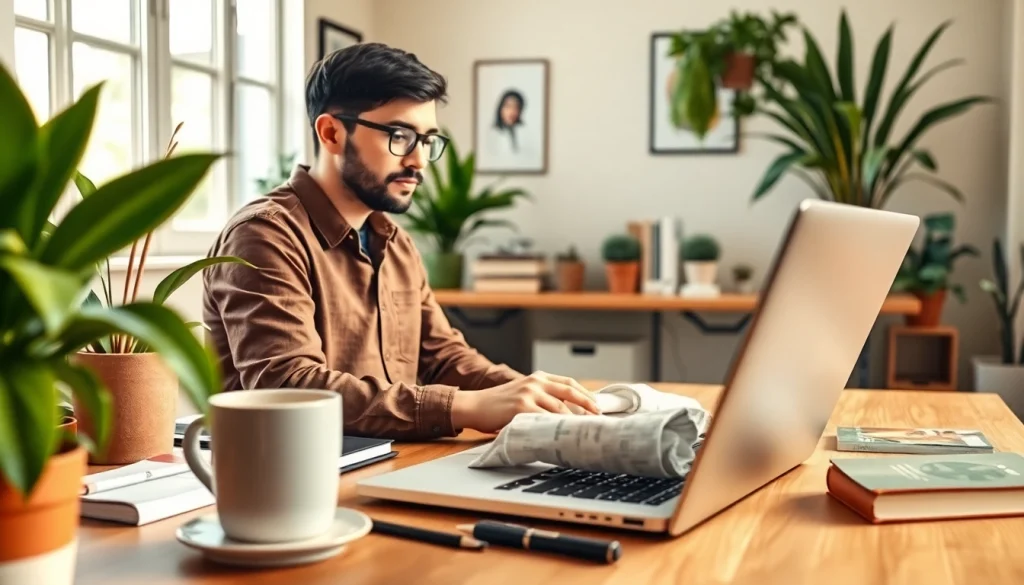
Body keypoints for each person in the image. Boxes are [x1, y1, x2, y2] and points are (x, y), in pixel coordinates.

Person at [202, 42, 600, 441]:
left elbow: (443, 357)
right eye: (400, 135)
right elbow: (289, 387)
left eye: (427, 140)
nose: (419, 159)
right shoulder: (264, 235)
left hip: (390, 462)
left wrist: (537, 397)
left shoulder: (396, 243)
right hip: (283, 477)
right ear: (332, 133)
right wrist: (465, 406)